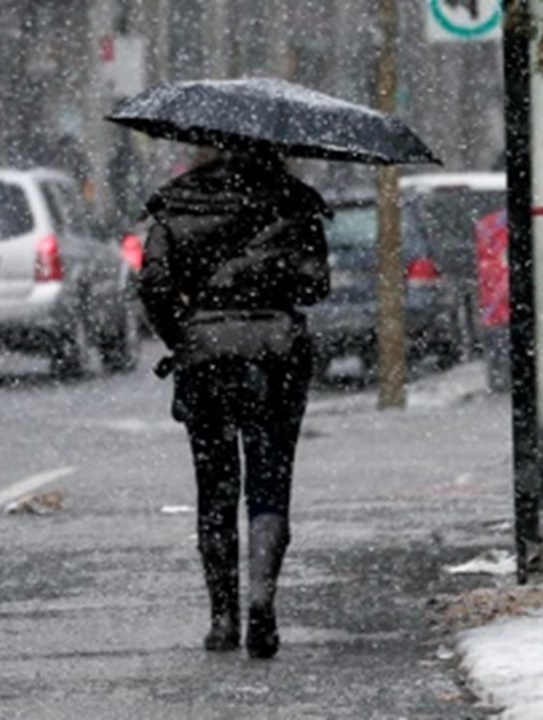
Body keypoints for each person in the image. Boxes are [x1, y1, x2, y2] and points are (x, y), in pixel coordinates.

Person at [138, 146, 330, 659]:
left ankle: (222, 619)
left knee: (215, 487)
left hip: (205, 359)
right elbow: (316, 285)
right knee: (269, 484)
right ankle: (262, 605)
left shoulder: (177, 203)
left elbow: (153, 282)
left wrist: (184, 336)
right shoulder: (294, 201)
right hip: (277, 355)